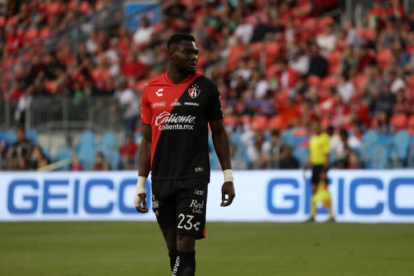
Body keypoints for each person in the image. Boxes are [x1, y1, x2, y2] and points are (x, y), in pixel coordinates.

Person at [133, 33, 235, 276]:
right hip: (161, 179)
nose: (194, 57)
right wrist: (140, 183)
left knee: (185, 244)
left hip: (194, 178)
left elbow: (219, 133)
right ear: (170, 55)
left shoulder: (206, 88)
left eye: (196, 53)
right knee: (172, 248)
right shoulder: (150, 90)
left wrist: (228, 177)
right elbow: (147, 140)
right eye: (187, 52)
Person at [304, 120, 330, 222]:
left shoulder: (325, 138)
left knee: (324, 191)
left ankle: (331, 215)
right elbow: (311, 155)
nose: (315, 129)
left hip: (321, 165)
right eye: (314, 127)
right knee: (313, 190)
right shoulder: (312, 139)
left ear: (320, 127)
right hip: (314, 166)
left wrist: (324, 170)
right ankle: (313, 215)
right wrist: (305, 168)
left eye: (317, 127)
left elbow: (326, 155)